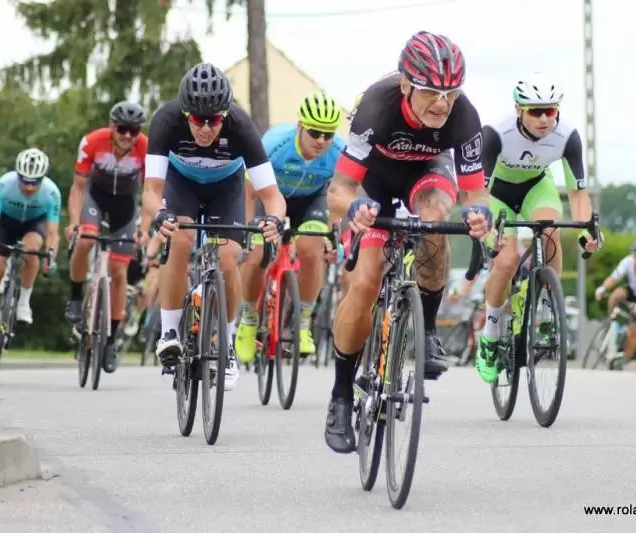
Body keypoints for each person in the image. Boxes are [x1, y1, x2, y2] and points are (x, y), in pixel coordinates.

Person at [323, 31, 492, 454]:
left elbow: (475, 193)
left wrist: (478, 214)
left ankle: (427, 329)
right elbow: (339, 189)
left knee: (433, 221)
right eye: (431, 92)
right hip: (374, 180)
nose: (442, 104)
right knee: (365, 282)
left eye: (451, 93)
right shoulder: (376, 107)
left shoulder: (464, 116)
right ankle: (341, 394)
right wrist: (354, 207)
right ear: (405, 85)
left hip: (428, 172)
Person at [140, 62, 285, 391]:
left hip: (225, 189)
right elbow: (150, 191)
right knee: (179, 239)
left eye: (215, 120)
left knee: (228, 258)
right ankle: (170, 331)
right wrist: (160, 214)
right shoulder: (166, 120)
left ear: (226, 114)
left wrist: (275, 219)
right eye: (197, 119)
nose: (206, 128)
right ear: (185, 113)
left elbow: (272, 195)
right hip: (181, 185)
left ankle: (227, 344)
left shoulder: (241, 126)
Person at [475, 72, 599, 383]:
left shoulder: (567, 136)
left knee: (551, 230)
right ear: (519, 110)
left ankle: (545, 308)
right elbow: (480, 192)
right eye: (536, 111)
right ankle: (490, 334)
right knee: (506, 260)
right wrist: (488, 232)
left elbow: (577, 194)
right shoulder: (495, 133)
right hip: (497, 194)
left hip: (536, 188)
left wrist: (586, 230)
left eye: (551, 110)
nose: (544, 119)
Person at [236, 92, 346, 364]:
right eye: (315, 132)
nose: (321, 141)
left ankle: (303, 323)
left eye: (328, 135)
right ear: (300, 127)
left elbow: (339, 195)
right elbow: (249, 190)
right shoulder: (275, 143)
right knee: (257, 254)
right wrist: (247, 230)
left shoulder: (339, 151)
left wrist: (333, 234)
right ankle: (248, 320)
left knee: (312, 249)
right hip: (269, 198)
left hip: (311, 201)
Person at [65, 101, 148, 373]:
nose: (127, 136)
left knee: (119, 272)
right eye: (122, 129)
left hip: (125, 206)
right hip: (95, 199)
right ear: (112, 126)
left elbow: (151, 191)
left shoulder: (145, 148)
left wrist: (145, 228)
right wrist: (74, 222)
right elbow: (78, 188)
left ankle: (111, 340)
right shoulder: (92, 142)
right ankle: (75, 296)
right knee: (86, 240)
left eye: (134, 131)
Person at [0, 149, 61, 366]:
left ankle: (24, 301)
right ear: (17, 175)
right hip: (6, 224)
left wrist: (51, 257)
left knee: (32, 248)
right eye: (25, 181)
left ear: (43, 179)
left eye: (35, 183)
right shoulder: (3, 185)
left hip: (33, 224)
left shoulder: (52, 193)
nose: (29, 187)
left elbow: (53, 234)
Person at [594, 240, 636, 367]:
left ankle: (624, 359)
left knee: (634, 331)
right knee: (616, 294)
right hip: (632, 291)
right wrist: (603, 288)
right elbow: (614, 278)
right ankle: (612, 321)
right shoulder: (627, 261)